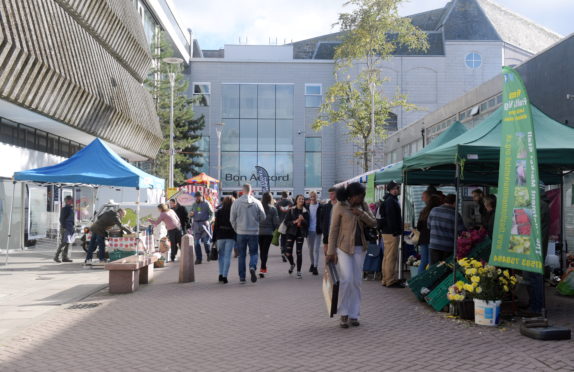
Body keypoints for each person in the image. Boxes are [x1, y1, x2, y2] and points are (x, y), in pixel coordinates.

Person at [326, 182, 377, 328]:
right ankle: (344, 313)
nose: (362, 198)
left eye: (363, 196)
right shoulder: (339, 206)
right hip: (344, 248)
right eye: (360, 196)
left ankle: (354, 314)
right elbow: (333, 230)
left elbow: (373, 223)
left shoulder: (363, 206)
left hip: (360, 247)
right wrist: (330, 251)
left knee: (357, 281)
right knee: (346, 280)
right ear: (352, 195)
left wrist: (361, 213)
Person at [230, 183, 266, 283]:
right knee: (254, 252)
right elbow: (263, 217)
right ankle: (252, 267)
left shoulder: (236, 202)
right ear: (251, 191)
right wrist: (256, 221)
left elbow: (232, 219)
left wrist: (236, 229)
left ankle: (242, 277)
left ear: (242, 191)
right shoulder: (257, 202)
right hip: (253, 232)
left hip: (241, 232)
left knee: (241, 255)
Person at [428, 194, 465, 264]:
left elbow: (429, 226)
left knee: (433, 269)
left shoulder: (434, 210)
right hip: (448, 247)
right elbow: (461, 231)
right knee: (445, 269)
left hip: (434, 245)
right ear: (454, 203)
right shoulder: (455, 214)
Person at [379, 181, 403, 288]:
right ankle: (390, 280)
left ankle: (385, 278)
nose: (397, 190)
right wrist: (396, 231)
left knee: (387, 256)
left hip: (386, 231)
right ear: (391, 189)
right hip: (391, 232)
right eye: (396, 188)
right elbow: (392, 218)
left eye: (397, 188)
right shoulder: (391, 201)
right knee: (391, 257)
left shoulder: (388, 200)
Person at [284, 195, 310, 278]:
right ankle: (292, 264)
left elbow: (307, 224)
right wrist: (295, 221)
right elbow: (286, 222)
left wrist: (302, 220)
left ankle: (299, 271)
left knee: (299, 252)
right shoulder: (291, 209)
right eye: (300, 199)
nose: (301, 200)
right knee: (288, 253)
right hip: (291, 233)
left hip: (300, 233)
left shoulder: (306, 211)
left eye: (302, 199)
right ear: (296, 200)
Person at [416, 192, 442, 274]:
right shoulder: (438, 212)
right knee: (431, 262)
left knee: (423, 261)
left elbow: (418, 226)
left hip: (423, 238)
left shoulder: (423, 211)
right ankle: (429, 281)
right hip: (434, 239)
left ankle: (418, 280)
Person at [213, 196, 236, 284]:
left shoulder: (219, 212)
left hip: (220, 236)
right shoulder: (234, 212)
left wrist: (214, 238)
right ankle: (225, 276)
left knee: (221, 256)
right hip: (230, 236)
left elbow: (216, 226)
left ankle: (220, 273)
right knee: (227, 256)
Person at [259, 192, 280, 278]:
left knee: (261, 250)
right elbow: (276, 223)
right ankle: (263, 267)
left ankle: (262, 266)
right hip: (268, 233)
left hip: (259, 232)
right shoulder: (273, 209)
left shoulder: (259, 208)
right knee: (265, 251)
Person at [190, 192, 214, 264]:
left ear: (202, 196)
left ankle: (208, 253)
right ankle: (198, 259)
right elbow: (191, 213)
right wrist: (190, 214)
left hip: (204, 224)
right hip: (196, 225)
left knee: (206, 242)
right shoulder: (194, 205)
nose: (197, 198)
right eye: (196, 197)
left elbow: (212, 214)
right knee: (196, 243)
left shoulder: (207, 204)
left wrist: (209, 221)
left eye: (198, 197)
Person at [54, 195, 74, 263]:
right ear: (67, 201)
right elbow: (61, 219)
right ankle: (56, 256)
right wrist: (64, 227)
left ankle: (64, 257)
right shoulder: (65, 209)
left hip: (70, 228)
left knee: (67, 243)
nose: (72, 201)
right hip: (66, 228)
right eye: (71, 200)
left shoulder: (70, 208)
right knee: (64, 243)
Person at [307, 191, 322, 276]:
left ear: (316, 197)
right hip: (309, 231)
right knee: (310, 249)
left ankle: (316, 267)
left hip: (318, 230)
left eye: (314, 196)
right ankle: (312, 263)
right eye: (311, 196)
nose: (313, 198)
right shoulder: (307, 207)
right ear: (310, 197)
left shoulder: (320, 206)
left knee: (316, 249)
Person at [319, 187, 338, 256]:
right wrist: (323, 228)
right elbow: (321, 219)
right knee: (326, 248)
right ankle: (327, 265)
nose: (330, 196)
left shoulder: (340, 206)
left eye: (332, 194)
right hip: (327, 231)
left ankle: (333, 265)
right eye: (329, 194)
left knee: (335, 249)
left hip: (337, 232)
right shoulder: (326, 206)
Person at [276, 191, 294, 262]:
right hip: (289, 224)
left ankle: (282, 251)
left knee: (282, 238)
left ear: (282, 195)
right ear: (287, 195)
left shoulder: (278, 204)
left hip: (281, 223)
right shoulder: (291, 203)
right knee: (288, 238)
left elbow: (276, 215)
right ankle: (286, 251)